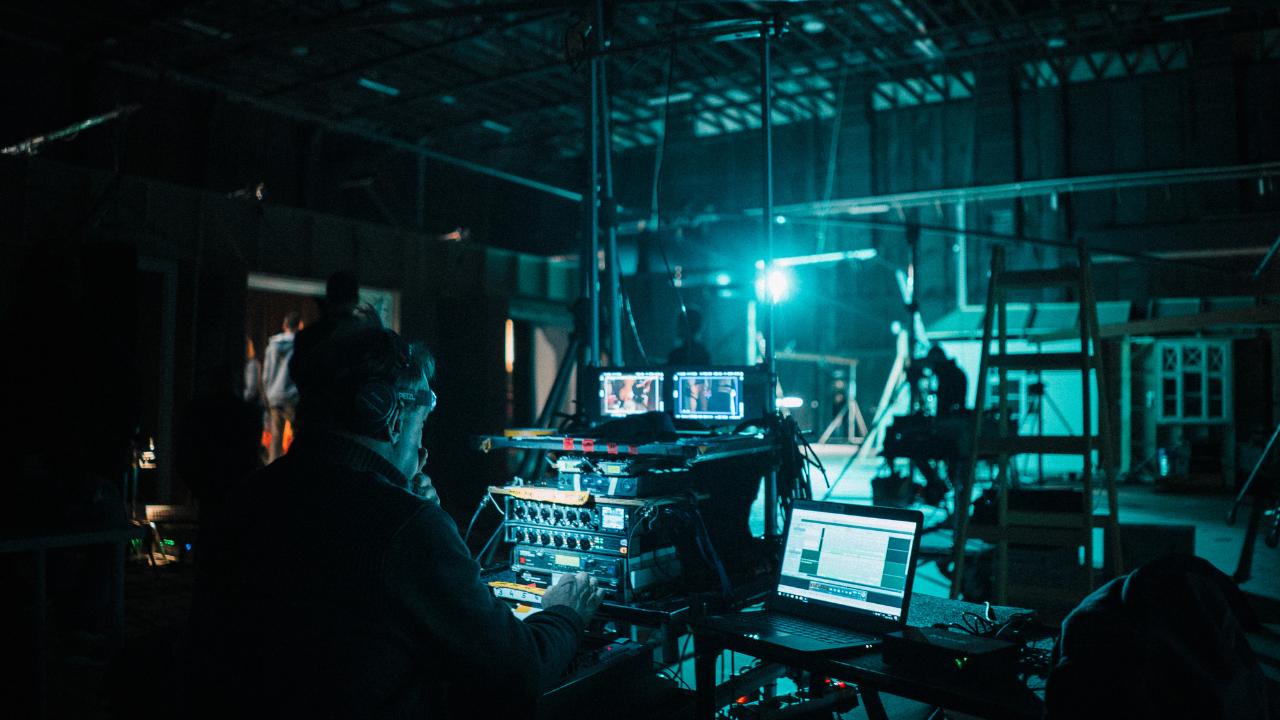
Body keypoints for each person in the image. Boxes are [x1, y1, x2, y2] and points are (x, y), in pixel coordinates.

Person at [184, 312, 603, 719]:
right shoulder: (406, 527)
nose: (422, 445)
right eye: (421, 422)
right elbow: (518, 673)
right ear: (386, 412)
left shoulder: (248, 497)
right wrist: (564, 613)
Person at [262, 312, 301, 462]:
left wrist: (267, 394)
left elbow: (266, 374)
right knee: (296, 434)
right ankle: (292, 467)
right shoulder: (299, 345)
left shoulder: (272, 346)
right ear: (299, 326)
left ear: (284, 326)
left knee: (276, 437)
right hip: (292, 397)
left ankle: (272, 469)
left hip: (274, 396)